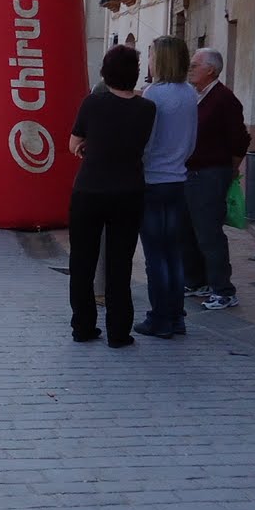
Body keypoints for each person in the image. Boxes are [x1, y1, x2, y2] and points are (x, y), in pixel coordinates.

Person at [67, 45, 156, 348]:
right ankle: (119, 332)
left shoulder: (92, 103)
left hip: (89, 190)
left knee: (82, 261)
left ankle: (83, 326)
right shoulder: (147, 109)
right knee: (121, 264)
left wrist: (89, 146)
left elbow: (73, 144)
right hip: (129, 191)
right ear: (135, 73)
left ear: (106, 73)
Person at [134, 37, 199, 339]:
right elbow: (191, 140)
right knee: (173, 251)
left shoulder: (154, 94)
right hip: (177, 180)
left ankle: (159, 317)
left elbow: (146, 141)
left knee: (155, 254)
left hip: (153, 180)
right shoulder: (189, 94)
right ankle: (176, 315)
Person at [182, 48, 251, 311]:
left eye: (195, 65)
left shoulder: (224, 99)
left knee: (209, 233)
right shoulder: (196, 96)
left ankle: (223, 290)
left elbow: (240, 140)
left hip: (210, 173)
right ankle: (196, 281)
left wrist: (228, 170)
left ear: (211, 70)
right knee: (188, 230)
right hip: (191, 173)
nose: (190, 68)